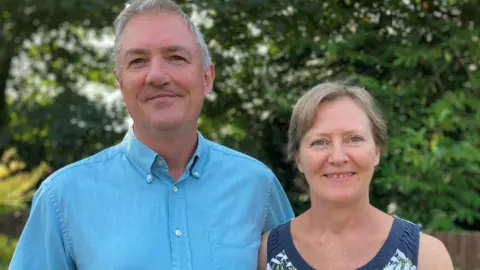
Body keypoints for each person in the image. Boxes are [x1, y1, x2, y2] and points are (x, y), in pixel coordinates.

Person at [10, 0, 294, 269]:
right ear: (121, 84)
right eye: (138, 61)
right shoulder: (61, 197)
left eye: (176, 57)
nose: (157, 76)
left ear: (207, 79)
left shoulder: (258, 186)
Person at [258, 82, 454, 270]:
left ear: (376, 152)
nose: (338, 157)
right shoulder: (266, 255)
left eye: (354, 139)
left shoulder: (424, 257)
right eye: (320, 142)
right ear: (298, 158)